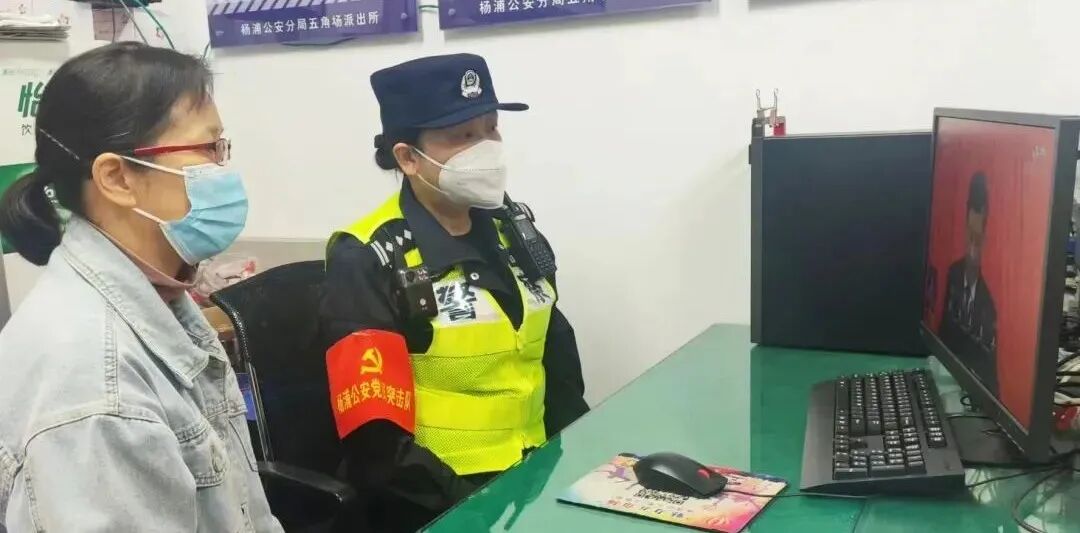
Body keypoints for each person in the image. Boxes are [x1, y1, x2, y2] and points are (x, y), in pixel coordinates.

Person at [0, 43, 281, 532]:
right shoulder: (94, 382)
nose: (223, 170)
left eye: (222, 147)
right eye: (207, 150)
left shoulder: (163, 300)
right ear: (117, 177)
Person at [319, 53, 589, 532]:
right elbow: (376, 443)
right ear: (408, 157)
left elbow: (557, 361)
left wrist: (576, 467)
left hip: (530, 483)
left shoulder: (514, 232)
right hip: (435, 505)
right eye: (462, 137)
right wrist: (476, 512)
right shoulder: (367, 257)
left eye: (491, 129)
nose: (485, 149)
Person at [939, 171, 998, 392]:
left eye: (978, 240)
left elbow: (992, 385)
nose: (972, 250)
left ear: (986, 239)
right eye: (970, 237)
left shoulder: (988, 308)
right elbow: (942, 335)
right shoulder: (954, 274)